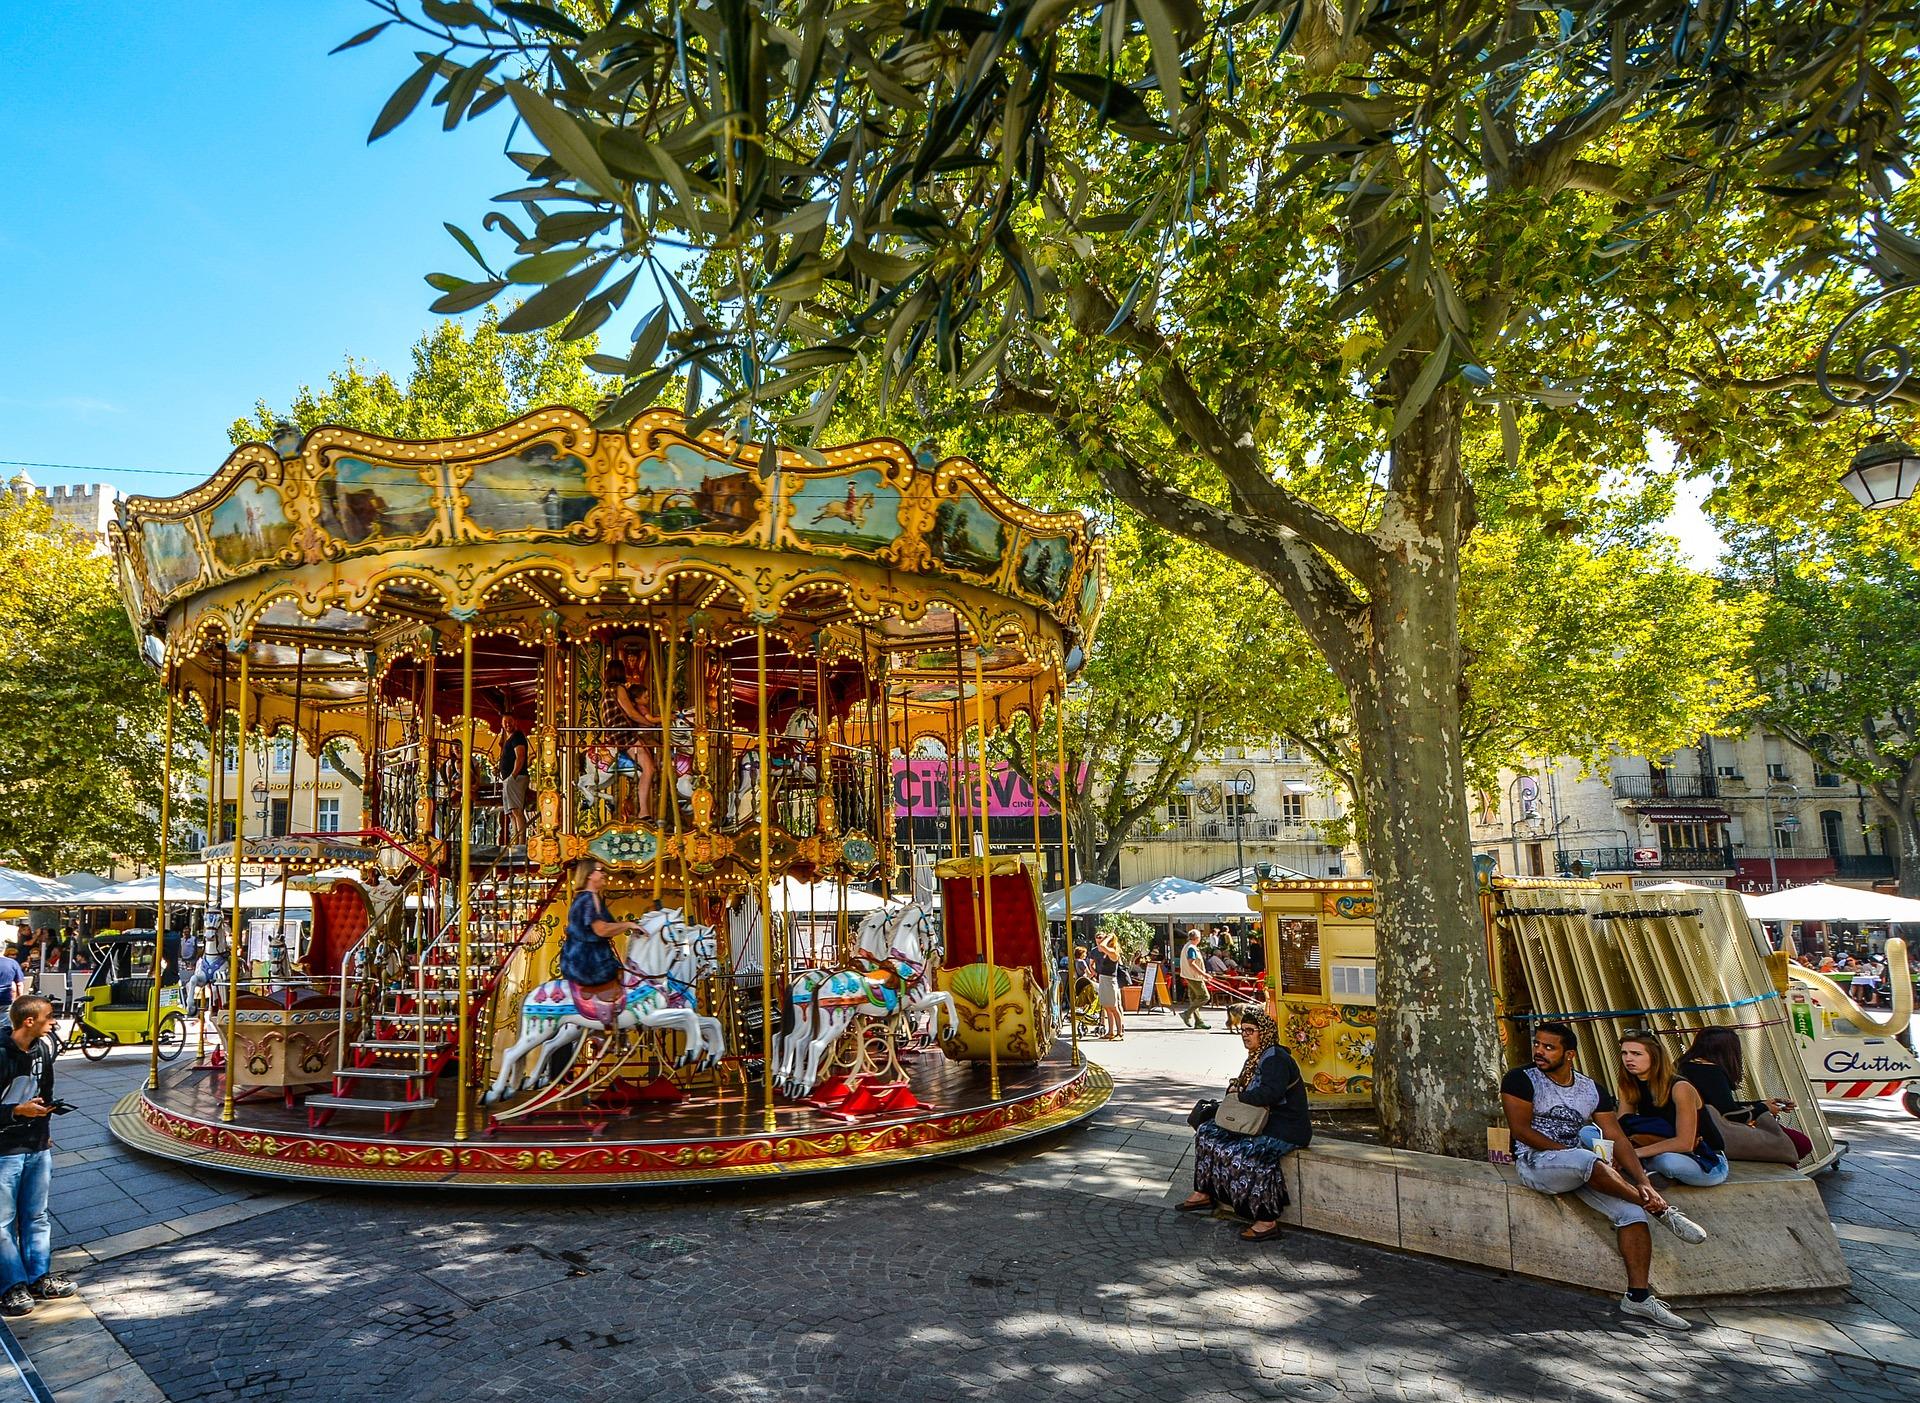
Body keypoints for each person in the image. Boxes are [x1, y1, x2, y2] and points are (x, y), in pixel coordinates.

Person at [1501, 1021, 1707, 1331]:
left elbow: (1618, 1138)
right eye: (1538, 1045)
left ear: (1569, 1054)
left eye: (1549, 1047)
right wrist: (1567, 1155)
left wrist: (1644, 1182)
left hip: (1582, 1167)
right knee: (1586, 1158)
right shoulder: (1520, 1079)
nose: (1539, 1052)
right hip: (1537, 1163)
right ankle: (1663, 1211)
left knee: (1632, 1213)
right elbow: (1521, 1131)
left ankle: (1638, 1297)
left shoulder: (1591, 1088)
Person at [1177, 1007, 1311, 1242]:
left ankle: (1267, 1220)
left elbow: (1268, 1094)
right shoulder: (1257, 1057)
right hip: (1259, 1122)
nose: (1245, 1035)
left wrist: (1239, 1094)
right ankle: (1204, 1191)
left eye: (1251, 1031)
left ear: (1264, 1032)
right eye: (1242, 1031)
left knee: (1248, 1154)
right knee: (1207, 1133)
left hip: (1286, 1128)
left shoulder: (1276, 1059)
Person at [0, 996, 74, 1316]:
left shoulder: (43, 1049)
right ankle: (10, 1287)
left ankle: (38, 1277)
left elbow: (45, 1089)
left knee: (37, 1215)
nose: (54, 1022)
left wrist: (44, 1125)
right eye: (49, 1017)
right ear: (29, 1021)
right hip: (4, 1150)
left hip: (36, 1145)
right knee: (3, 1222)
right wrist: (17, 1110)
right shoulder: (2, 1054)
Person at [1677, 1026, 1813, 1162]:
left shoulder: (1684, 1066)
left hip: (1692, 1129)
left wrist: (1764, 1103)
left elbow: (1718, 1104)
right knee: (1800, 1143)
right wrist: (1764, 1108)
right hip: (1713, 1135)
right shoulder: (1711, 1072)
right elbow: (1731, 1115)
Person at [1612, 1031, 1729, 1187]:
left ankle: (1642, 1167)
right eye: (1624, 1053)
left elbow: (1685, 1143)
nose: (1628, 1059)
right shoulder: (1629, 1085)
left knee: (1668, 1162)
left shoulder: (1680, 1087)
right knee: (1589, 1133)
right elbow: (1622, 1127)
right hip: (1658, 1145)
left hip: (1703, 1158)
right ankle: (1645, 1169)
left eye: (1636, 1053)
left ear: (1654, 1057)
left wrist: (1630, 1154)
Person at [561, 859, 641, 1029]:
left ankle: (612, 1026)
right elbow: (601, 930)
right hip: (586, 962)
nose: (605, 873)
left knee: (627, 975)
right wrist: (628, 925)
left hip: (594, 957)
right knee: (627, 981)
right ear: (589, 875)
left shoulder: (594, 898)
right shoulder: (587, 900)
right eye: (600, 870)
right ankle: (610, 1026)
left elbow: (608, 928)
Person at [498, 710, 531, 848]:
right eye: (505, 722)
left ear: (515, 722)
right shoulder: (509, 739)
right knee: (511, 813)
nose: (507, 724)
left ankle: (521, 842)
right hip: (509, 779)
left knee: (517, 811)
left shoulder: (517, 737)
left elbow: (521, 756)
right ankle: (515, 840)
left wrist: (513, 775)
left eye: (510, 721)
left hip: (515, 778)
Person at [1092, 931, 1124, 1041]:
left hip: (1110, 981)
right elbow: (1100, 948)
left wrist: (1109, 937)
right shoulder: (1106, 952)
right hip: (1103, 979)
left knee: (1114, 1007)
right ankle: (1110, 1032)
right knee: (1107, 1007)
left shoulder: (1113, 952)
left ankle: (1119, 1033)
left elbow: (1101, 946)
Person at [1177, 928, 1210, 1030]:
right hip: (1194, 977)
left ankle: (1199, 1022)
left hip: (1188, 975)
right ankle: (1186, 1014)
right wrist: (1204, 974)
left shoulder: (1187, 946)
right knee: (1204, 997)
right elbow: (1192, 963)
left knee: (1194, 999)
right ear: (1197, 938)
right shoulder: (1191, 948)